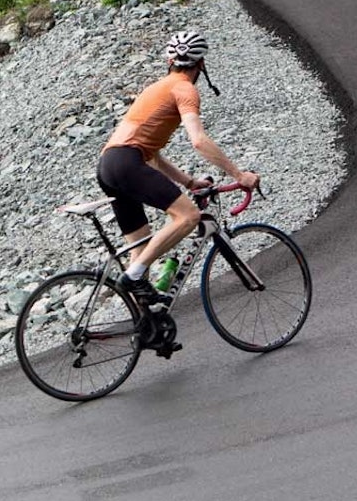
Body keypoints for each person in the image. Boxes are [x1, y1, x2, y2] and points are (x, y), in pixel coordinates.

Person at [96, 31, 260, 351]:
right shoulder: (185, 89)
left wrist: (187, 182)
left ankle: (149, 329)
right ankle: (134, 276)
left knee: (138, 249)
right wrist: (238, 174)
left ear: (171, 61)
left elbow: (152, 156)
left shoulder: (156, 88)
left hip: (109, 165)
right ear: (200, 64)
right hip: (127, 164)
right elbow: (198, 140)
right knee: (188, 216)